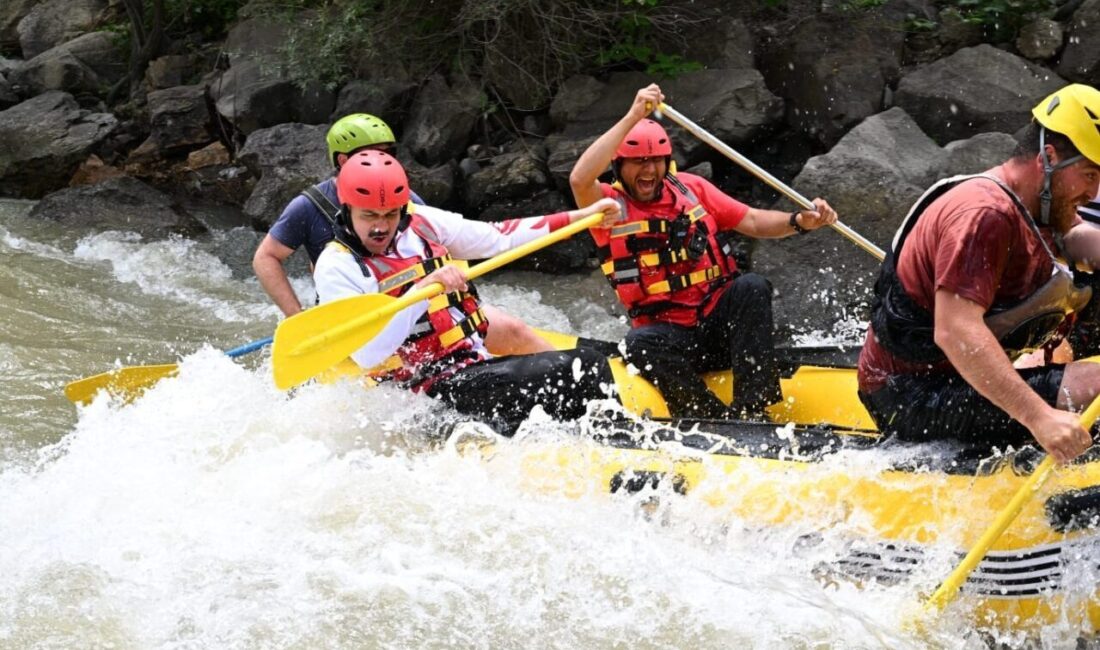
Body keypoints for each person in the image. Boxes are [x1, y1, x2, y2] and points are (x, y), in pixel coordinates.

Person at [857, 83, 1100, 464]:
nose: (1095, 191)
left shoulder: (1040, 202)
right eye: (1089, 175)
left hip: (954, 378)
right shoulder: (983, 214)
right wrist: (1040, 418)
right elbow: (955, 331)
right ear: (1048, 157)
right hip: (910, 395)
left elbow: (1078, 242)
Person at [568, 83, 838, 418]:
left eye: (656, 161)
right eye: (638, 162)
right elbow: (579, 180)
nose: (649, 170)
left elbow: (752, 221)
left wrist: (800, 221)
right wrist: (633, 115)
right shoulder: (609, 207)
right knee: (637, 344)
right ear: (619, 166)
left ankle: (753, 408)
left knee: (751, 286)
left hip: (718, 330)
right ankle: (708, 416)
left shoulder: (692, 189)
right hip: (672, 339)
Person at [314, 150, 621, 435]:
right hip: (421, 396)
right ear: (347, 208)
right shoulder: (337, 266)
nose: (381, 227)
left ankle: (611, 429)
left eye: (390, 215)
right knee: (582, 368)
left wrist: (582, 216)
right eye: (370, 216)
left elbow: (497, 238)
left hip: (469, 366)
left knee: (586, 363)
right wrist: (422, 289)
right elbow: (368, 354)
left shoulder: (422, 223)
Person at [253, 112, 553, 356]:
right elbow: (266, 257)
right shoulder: (307, 206)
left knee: (514, 329)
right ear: (344, 161)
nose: (387, 162)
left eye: (390, 154)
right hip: (351, 311)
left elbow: (433, 252)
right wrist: (298, 317)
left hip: (411, 302)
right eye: (376, 154)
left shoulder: (404, 200)